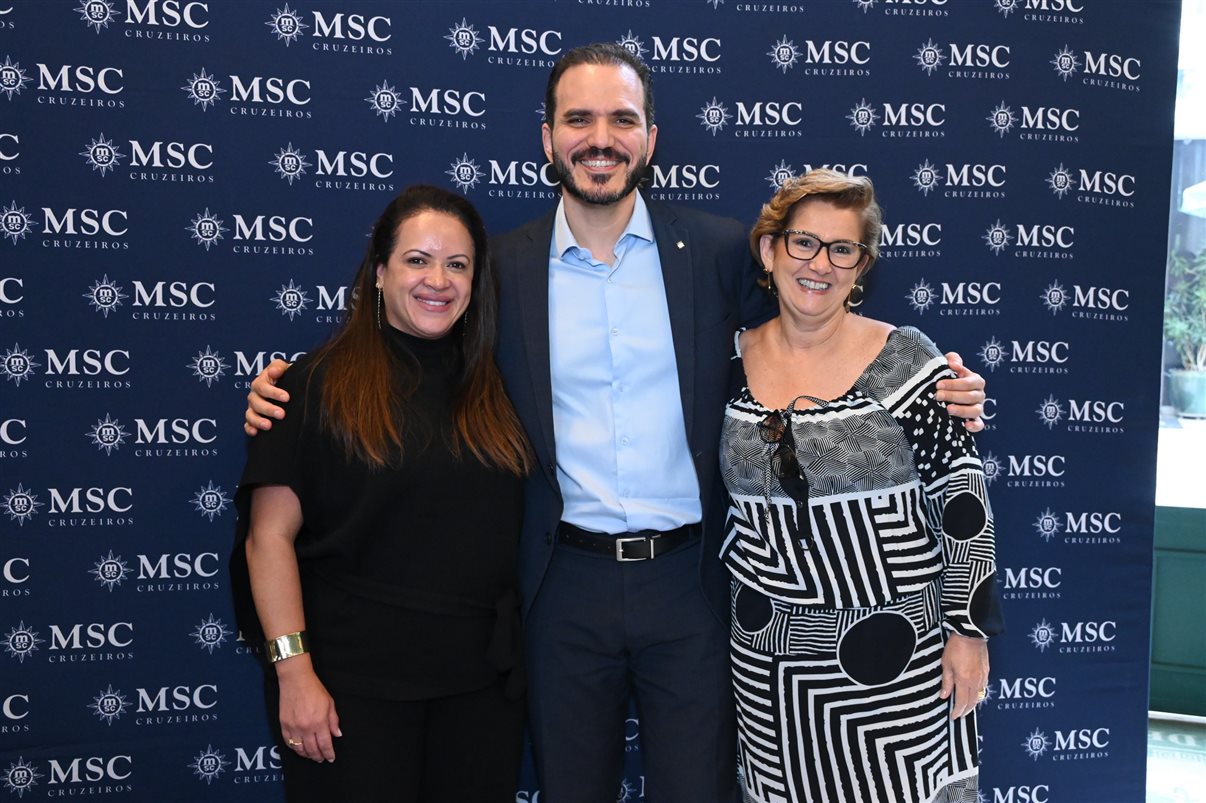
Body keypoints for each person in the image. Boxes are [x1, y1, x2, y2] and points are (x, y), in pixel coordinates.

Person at [243, 44, 989, 803]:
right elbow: (412, 360)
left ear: (651, 140)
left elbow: (811, 327)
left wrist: (927, 378)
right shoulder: (496, 270)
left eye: (622, 119)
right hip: (561, 587)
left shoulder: (722, 252)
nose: (600, 138)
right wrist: (288, 392)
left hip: (693, 582)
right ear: (547, 138)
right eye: (579, 119)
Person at [230, 185, 531, 803]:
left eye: (457, 264)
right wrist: (294, 673)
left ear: (477, 281)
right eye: (417, 260)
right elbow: (268, 540)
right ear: (378, 273)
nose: (438, 281)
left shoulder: (502, 388)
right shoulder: (312, 385)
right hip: (348, 692)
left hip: (478, 693)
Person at [721, 169, 1002, 802]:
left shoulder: (906, 360)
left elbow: (961, 501)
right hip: (770, 669)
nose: (819, 263)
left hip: (901, 660)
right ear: (770, 250)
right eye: (803, 243)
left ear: (860, 266)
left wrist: (966, 631)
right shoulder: (725, 361)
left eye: (842, 249)